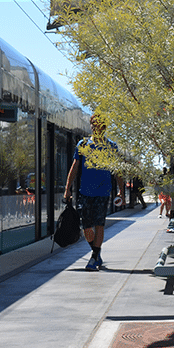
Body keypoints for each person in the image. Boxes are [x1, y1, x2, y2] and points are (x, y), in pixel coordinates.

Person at [64, 114, 121, 271]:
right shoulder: (83, 144)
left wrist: (121, 191)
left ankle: (94, 257)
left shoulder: (111, 146)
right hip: (85, 192)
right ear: (91, 126)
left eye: (100, 125)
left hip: (103, 191)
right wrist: (67, 188)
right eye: (94, 125)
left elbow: (118, 171)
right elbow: (75, 167)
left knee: (99, 224)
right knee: (86, 227)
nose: (96, 127)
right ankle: (96, 252)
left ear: (104, 127)